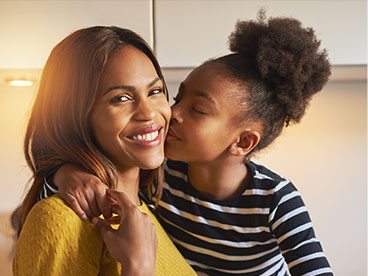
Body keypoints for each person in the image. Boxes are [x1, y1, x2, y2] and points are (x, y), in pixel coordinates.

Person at [40, 11, 333, 275]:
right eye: (178, 98)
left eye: (199, 110)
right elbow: (56, 189)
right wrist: (66, 173)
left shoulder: (275, 199)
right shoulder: (161, 176)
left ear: (243, 141)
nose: (172, 113)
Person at [12, 26, 196, 276]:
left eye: (155, 92)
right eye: (121, 98)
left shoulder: (146, 213)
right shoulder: (61, 220)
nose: (149, 113)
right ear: (75, 116)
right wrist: (138, 267)